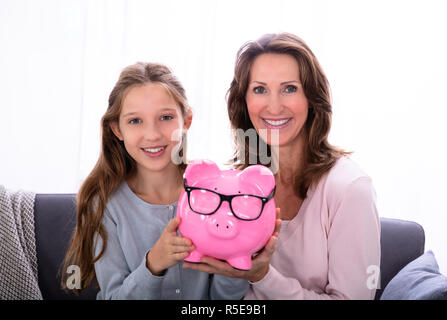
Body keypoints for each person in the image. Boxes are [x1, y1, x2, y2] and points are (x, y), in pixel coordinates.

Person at [184, 33, 381, 300]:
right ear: (244, 101)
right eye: (260, 89)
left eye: (289, 88)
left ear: (312, 98)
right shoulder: (237, 183)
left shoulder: (350, 188)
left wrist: (262, 276)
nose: (274, 106)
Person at [62, 62, 249, 299]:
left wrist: (237, 264)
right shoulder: (106, 205)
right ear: (117, 130)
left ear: (186, 120)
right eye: (135, 121)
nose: (152, 134)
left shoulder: (217, 195)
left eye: (166, 117)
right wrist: (153, 263)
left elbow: (226, 299)